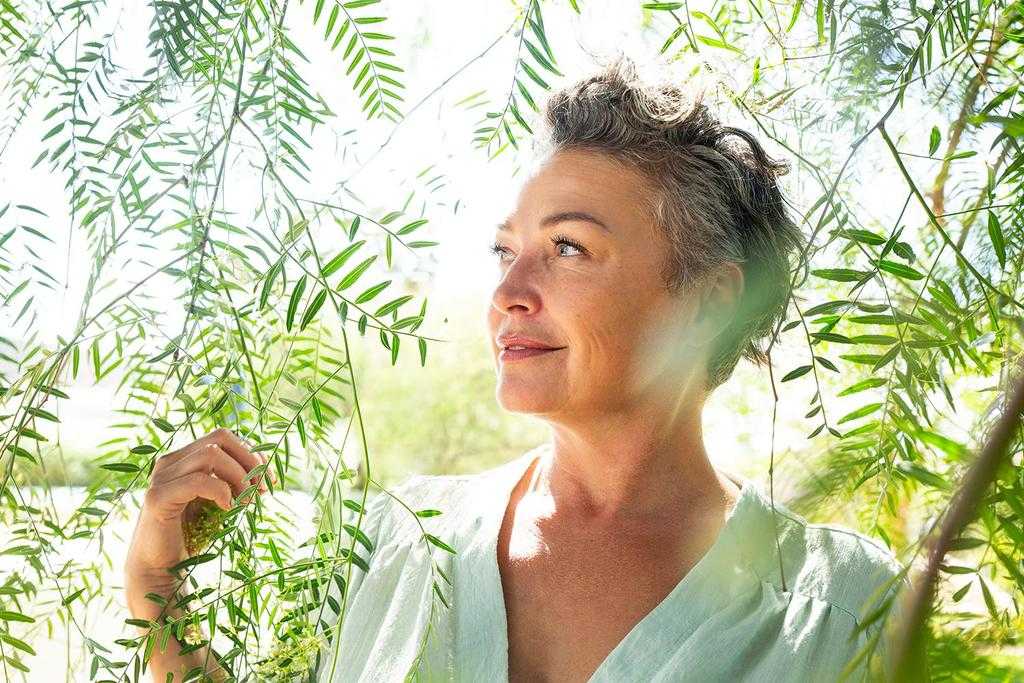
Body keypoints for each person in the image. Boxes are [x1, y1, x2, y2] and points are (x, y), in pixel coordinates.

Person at [124, 53, 906, 682]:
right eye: (506, 251)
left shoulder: (841, 609)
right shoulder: (401, 541)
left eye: (568, 248)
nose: (506, 293)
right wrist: (157, 584)